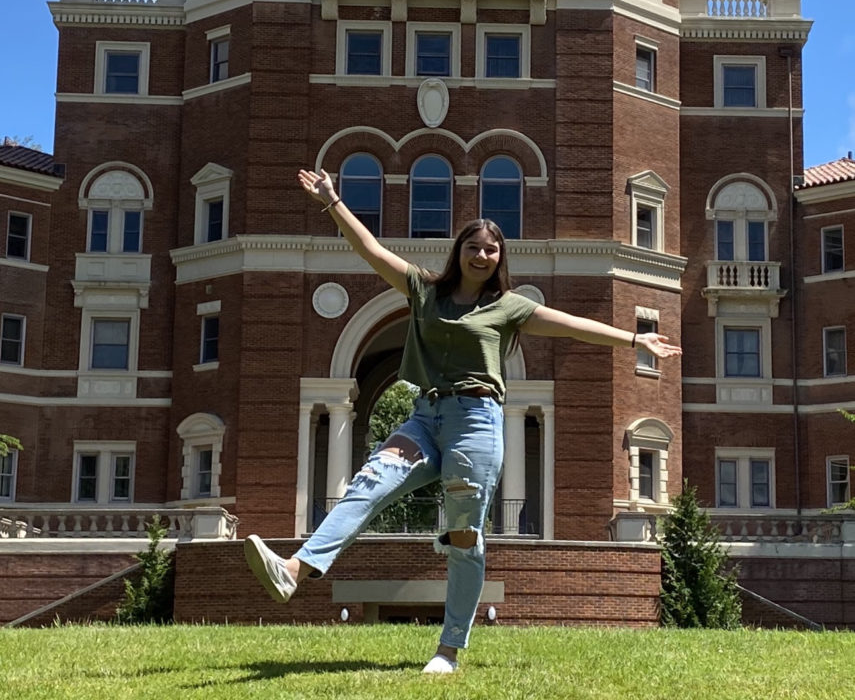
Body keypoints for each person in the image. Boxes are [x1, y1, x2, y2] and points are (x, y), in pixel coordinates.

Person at [244, 167, 682, 673]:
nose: (481, 255)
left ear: (500, 258)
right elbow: (369, 251)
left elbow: (572, 327)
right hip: (424, 417)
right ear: (459, 252)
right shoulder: (423, 290)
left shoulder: (508, 308)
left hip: (476, 422)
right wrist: (332, 201)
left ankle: (448, 649)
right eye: (473, 247)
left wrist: (634, 339)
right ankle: (296, 568)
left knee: (464, 536)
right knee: (368, 482)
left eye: (491, 249)